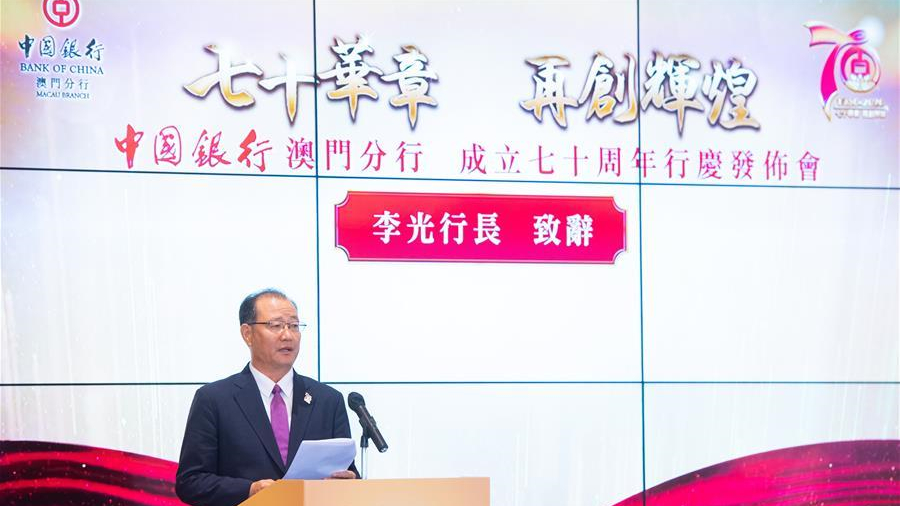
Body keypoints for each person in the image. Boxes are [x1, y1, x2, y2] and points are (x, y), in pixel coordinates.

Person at [176, 289, 357, 506]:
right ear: (247, 334)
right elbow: (190, 482)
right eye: (276, 325)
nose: (287, 335)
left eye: (294, 325)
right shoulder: (214, 400)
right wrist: (249, 490)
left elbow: (347, 472)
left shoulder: (328, 400)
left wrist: (348, 482)